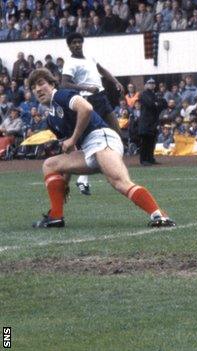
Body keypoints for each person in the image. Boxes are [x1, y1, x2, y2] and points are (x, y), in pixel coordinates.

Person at [28, 68, 175, 228]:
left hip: (102, 139)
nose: (37, 89)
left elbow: (86, 108)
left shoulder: (62, 95)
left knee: (119, 182)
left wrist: (74, 139)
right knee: (50, 165)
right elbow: (69, 149)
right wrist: (64, 182)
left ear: (52, 84)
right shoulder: (51, 119)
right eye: (33, 87)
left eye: (41, 83)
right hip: (88, 149)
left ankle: (159, 216)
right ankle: (56, 216)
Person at [61, 32, 125, 196]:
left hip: (101, 97)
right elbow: (64, 84)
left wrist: (116, 82)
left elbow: (102, 70)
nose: (76, 45)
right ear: (69, 46)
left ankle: (109, 165)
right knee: (92, 139)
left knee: (116, 132)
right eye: (73, 43)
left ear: (82, 43)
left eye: (78, 42)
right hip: (88, 100)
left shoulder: (90, 57)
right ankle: (83, 177)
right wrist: (86, 88)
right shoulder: (70, 63)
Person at [138, 78, 166, 165]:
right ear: (146, 85)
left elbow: (164, 104)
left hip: (153, 122)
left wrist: (156, 103)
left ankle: (150, 158)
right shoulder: (143, 94)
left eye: (153, 83)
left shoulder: (155, 94)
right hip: (146, 122)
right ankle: (143, 160)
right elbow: (150, 104)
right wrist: (156, 103)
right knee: (145, 141)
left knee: (152, 141)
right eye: (150, 83)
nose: (152, 84)